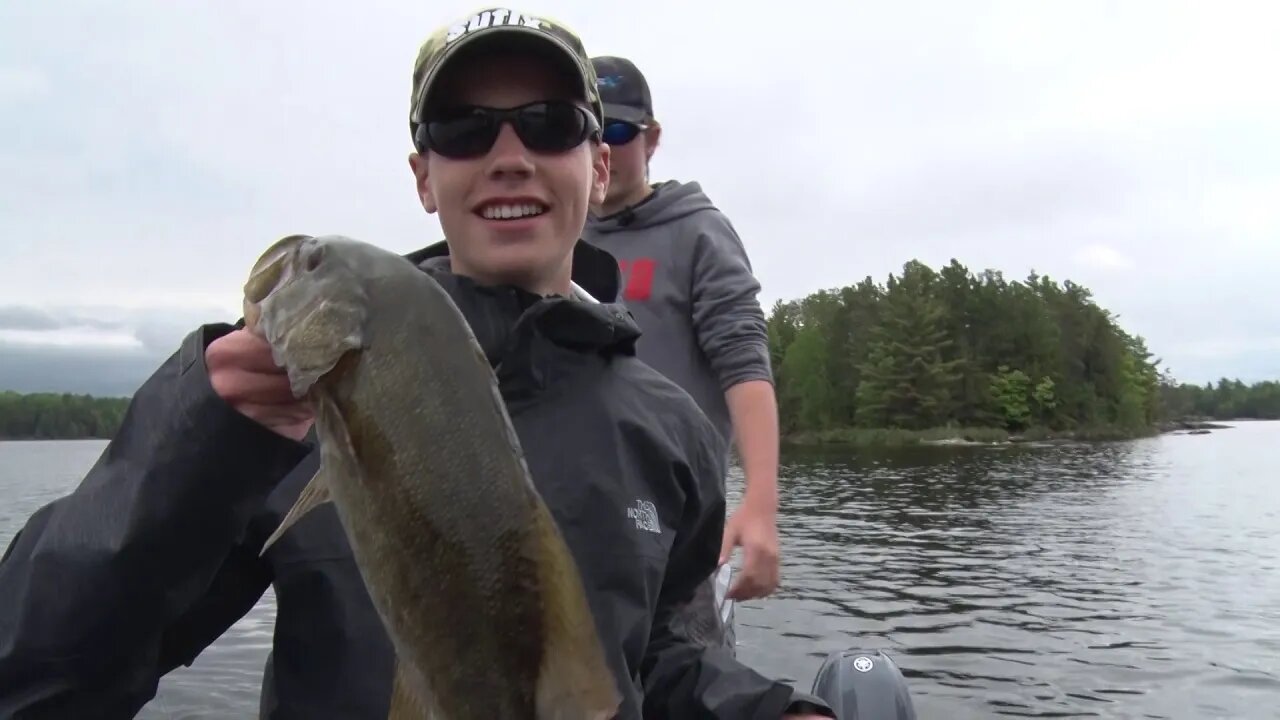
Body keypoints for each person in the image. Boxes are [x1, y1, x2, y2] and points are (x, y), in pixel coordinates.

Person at [0, 8, 833, 720]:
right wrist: (198, 441)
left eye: (549, 123)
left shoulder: (673, 430)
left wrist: (768, 709)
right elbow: (38, 681)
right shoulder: (284, 421)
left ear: (600, 165)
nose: (509, 155)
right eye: (464, 130)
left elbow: (657, 661)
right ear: (424, 178)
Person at [581, 57, 783, 611]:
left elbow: (744, 363)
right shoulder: (557, 238)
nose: (601, 149)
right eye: (587, 130)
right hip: (577, 523)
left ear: (652, 139)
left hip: (680, 531)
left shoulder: (697, 232)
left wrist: (760, 506)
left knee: (687, 659)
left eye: (617, 132)